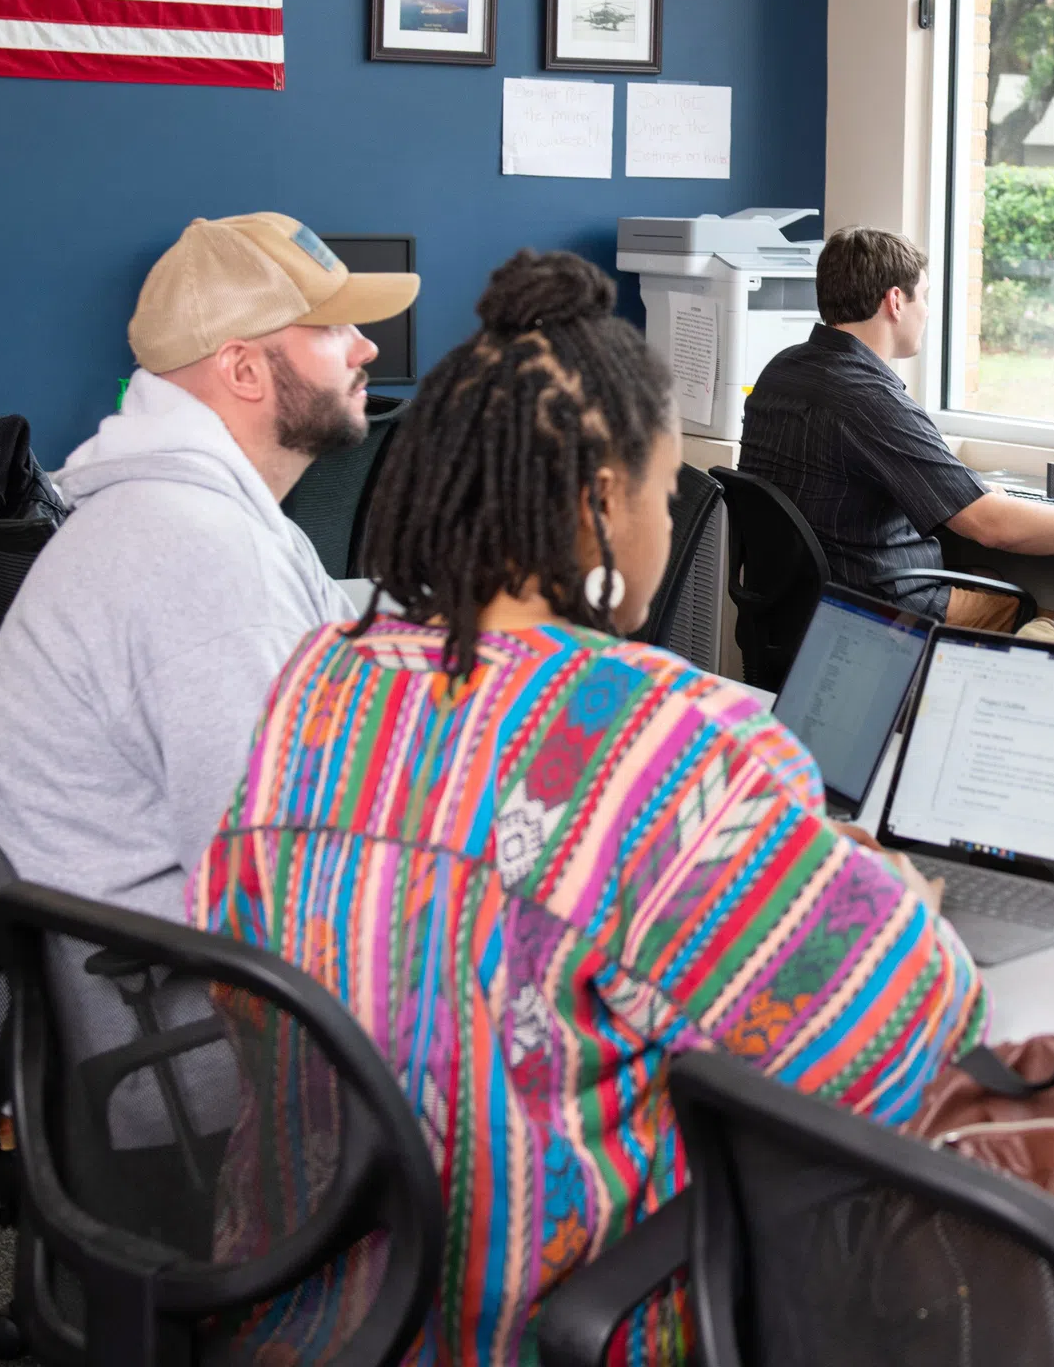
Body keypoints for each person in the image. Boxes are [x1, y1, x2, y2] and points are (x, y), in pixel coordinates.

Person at [194, 250, 983, 1366]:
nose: (666, 520)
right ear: (604, 500)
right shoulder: (670, 734)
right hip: (546, 1322)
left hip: (304, 1289)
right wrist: (898, 894)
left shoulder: (323, 675)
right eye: (666, 490)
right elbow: (911, 1034)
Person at [0, 212, 413, 922]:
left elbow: (344, 646)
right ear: (243, 370)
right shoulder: (200, 556)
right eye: (331, 329)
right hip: (172, 998)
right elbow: (283, 878)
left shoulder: (205, 512)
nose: (366, 347)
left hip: (127, 966)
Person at [744, 226, 1054, 626]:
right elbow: (994, 527)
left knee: (985, 579)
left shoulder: (781, 371)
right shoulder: (867, 398)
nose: (928, 311)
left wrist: (966, 493)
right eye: (925, 296)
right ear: (895, 301)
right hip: (876, 613)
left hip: (797, 608)